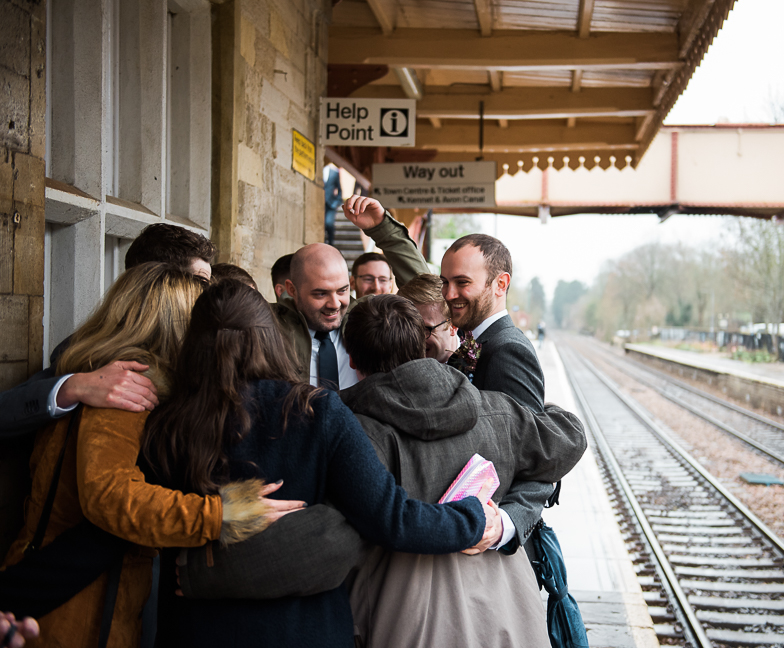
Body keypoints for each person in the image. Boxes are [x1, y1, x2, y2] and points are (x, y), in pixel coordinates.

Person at [154, 296, 587, 648]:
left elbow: (334, 535)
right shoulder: (495, 412)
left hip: (403, 614)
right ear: (421, 345)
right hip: (506, 609)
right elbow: (568, 436)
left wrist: (205, 571)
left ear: (353, 358)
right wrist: (502, 521)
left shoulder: (354, 425)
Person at [1, 264, 295, 648]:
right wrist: (218, 515)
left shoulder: (98, 371)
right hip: (76, 613)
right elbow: (109, 495)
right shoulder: (130, 387)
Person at [0, 223, 216, 439]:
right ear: (157, 283)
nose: (208, 296)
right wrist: (73, 387)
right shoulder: (90, 351)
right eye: (201, 283)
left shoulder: (209, 344)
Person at [440, 233, 550, 552]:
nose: (449, 294)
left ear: (500, 284)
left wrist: (506, 523)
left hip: (487, 539)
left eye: (462, 282)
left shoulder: (507, 351)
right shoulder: (469, 338)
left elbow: (537, 451)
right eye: (444, 282)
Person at [274, 194, 428, 390]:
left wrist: (382, 227)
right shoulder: (267, 327)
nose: (335, 304)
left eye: (342, 290)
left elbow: (425, 292)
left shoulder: (368, 318)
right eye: (320, 294)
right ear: (291, 290)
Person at [397, 273, 459, 363]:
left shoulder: (481, 363)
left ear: (453, 326)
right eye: (407, 327)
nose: (415, 339)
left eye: (425, 329)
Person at [323, 163, 342, 246]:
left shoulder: (335, 172)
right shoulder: (319, 169)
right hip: (320, 203)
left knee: (329, 223)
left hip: (331, 203)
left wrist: (337, 201)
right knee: (322, 224)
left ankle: (331, 243)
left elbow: (339, 188)